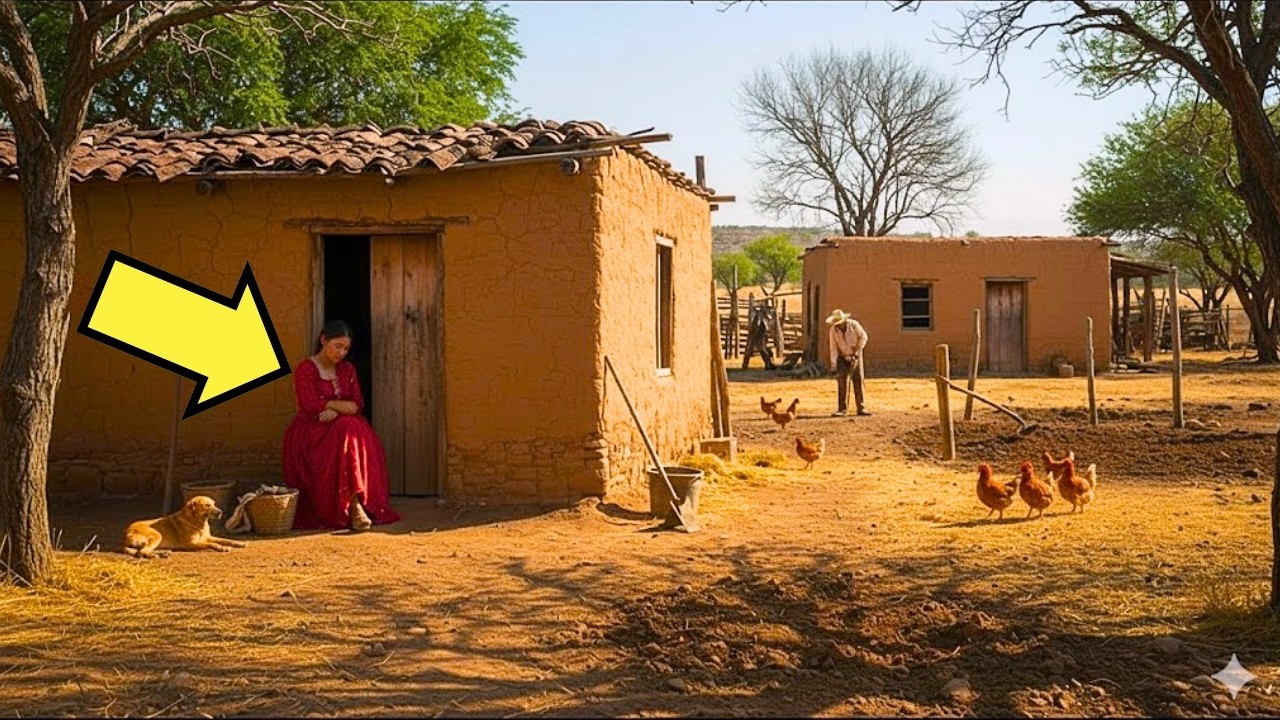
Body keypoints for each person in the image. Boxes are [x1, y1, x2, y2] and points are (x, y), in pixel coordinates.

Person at [282, 319, 400, 532]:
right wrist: (334, 405)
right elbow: (309, 406)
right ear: (323, 340)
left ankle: (356, 503)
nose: (342, 353)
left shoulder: (347, 370)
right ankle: (352, 506)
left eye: (346, 348)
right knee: (347, 429)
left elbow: (357, 404)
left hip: (342, 427)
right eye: (338, 346)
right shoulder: (306, 369)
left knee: (350, 429)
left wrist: (332, 409)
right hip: (312, 431)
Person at [827, 308, 871, 417]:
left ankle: (861, 407)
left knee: (858, 379)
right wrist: (834, 364)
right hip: (842, 357)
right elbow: (833, 348)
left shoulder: (854, 325)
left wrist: (857, 350)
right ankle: (842, 409)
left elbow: (863, 337)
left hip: (856, 354)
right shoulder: (833, 331)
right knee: (842, 382)